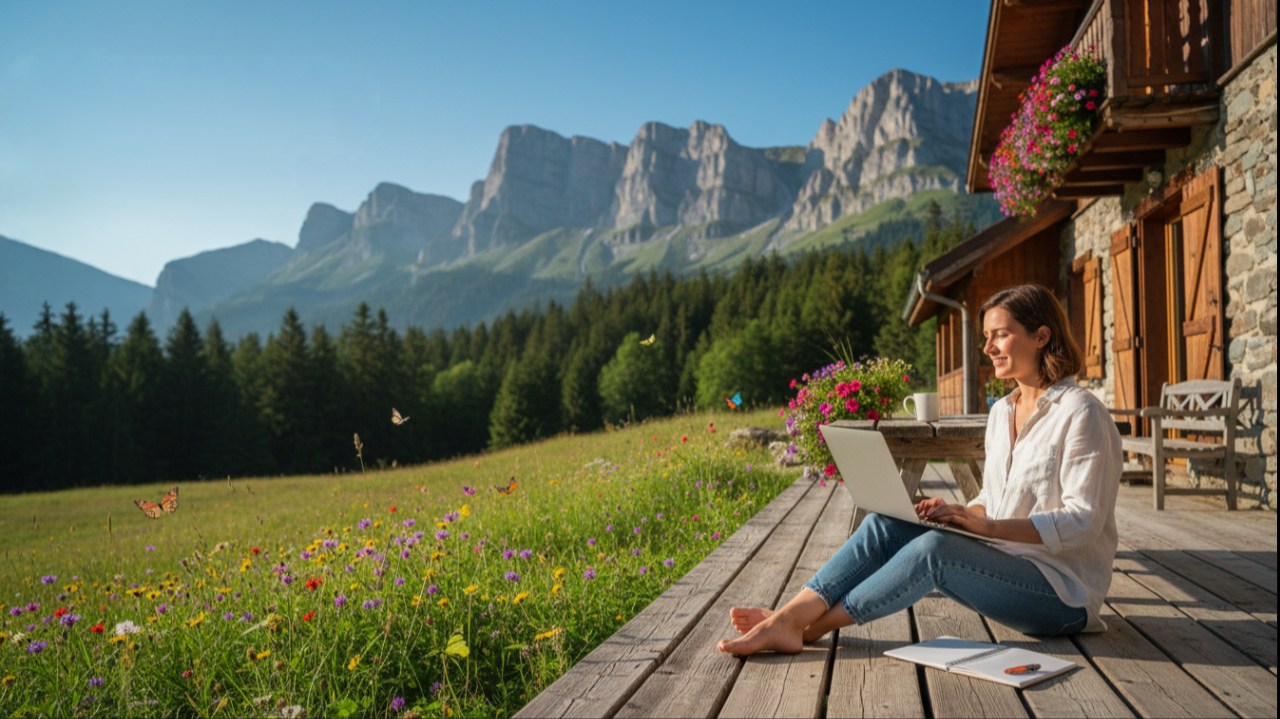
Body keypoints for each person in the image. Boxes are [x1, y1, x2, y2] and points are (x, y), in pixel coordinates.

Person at [718, 284, 1122, 656]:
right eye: (986, 337)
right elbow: (993, 500)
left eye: (1000, 334)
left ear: (1041, 336)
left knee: (935, 552)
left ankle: (803, 630)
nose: (989, 347)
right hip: (1001, 564)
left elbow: (1082, 520)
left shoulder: (1081, 412)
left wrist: (988, 528)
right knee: (884, 523)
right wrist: (959, 513)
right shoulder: (1002, 412)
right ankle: (789, 616)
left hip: (1061, 595)